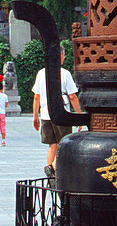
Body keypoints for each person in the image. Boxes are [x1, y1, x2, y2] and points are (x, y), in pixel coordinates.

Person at [32, 47, 83, 180]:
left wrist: (35, 116)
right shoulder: (64, 73)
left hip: (45, 115)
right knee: (64, 143)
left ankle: (51, 175)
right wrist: (79, 115)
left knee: (52, 145)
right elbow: (72, 96)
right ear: (60, 56)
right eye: (64, 55)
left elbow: (36, 97)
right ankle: (53, 167)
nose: (64, 58)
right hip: (61, 115)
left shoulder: (41, 73)